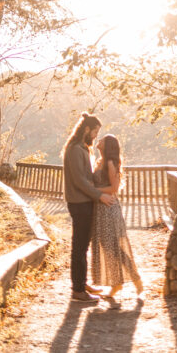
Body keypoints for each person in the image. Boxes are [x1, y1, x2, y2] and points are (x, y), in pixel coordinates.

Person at [62, 112, 114, 303]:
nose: (95, 136)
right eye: (95, 131)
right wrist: (100, 195)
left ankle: (81, 283)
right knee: (79, 247)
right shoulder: (76, 150)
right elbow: (80, 181)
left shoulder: (82, 149)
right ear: (86, 129)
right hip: (79, 204)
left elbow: (86, 177)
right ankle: (78, 290)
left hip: (84, 202)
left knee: (82, 246)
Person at [90, 133, 143, 309]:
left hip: (109, 209)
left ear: (108, 145)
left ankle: (134, 280)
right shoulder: (100, 162)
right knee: (107, 247)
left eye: (102, 140)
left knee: (114, 247)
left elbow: (114, 188)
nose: (99, 141)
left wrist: (93, 190)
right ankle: (117, 282)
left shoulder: (111, 163)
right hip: (100, 209)